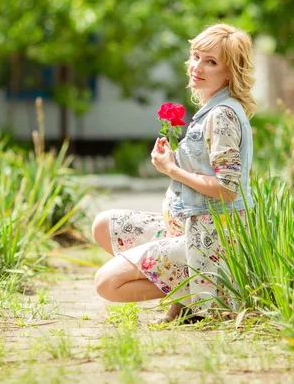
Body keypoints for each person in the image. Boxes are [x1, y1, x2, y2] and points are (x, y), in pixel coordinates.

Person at [91, 23, 257, 322]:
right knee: (104, 225)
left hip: (210, 241)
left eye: (211, 62)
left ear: (230, 71)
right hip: (186, 229)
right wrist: (173, 164)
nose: (197, 67)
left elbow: (227, 188)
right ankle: (189, 298)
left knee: (107, 283)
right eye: (195, 56)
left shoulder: (222, 116)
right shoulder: (209, 110)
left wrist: (171, 170)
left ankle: (202, 293)